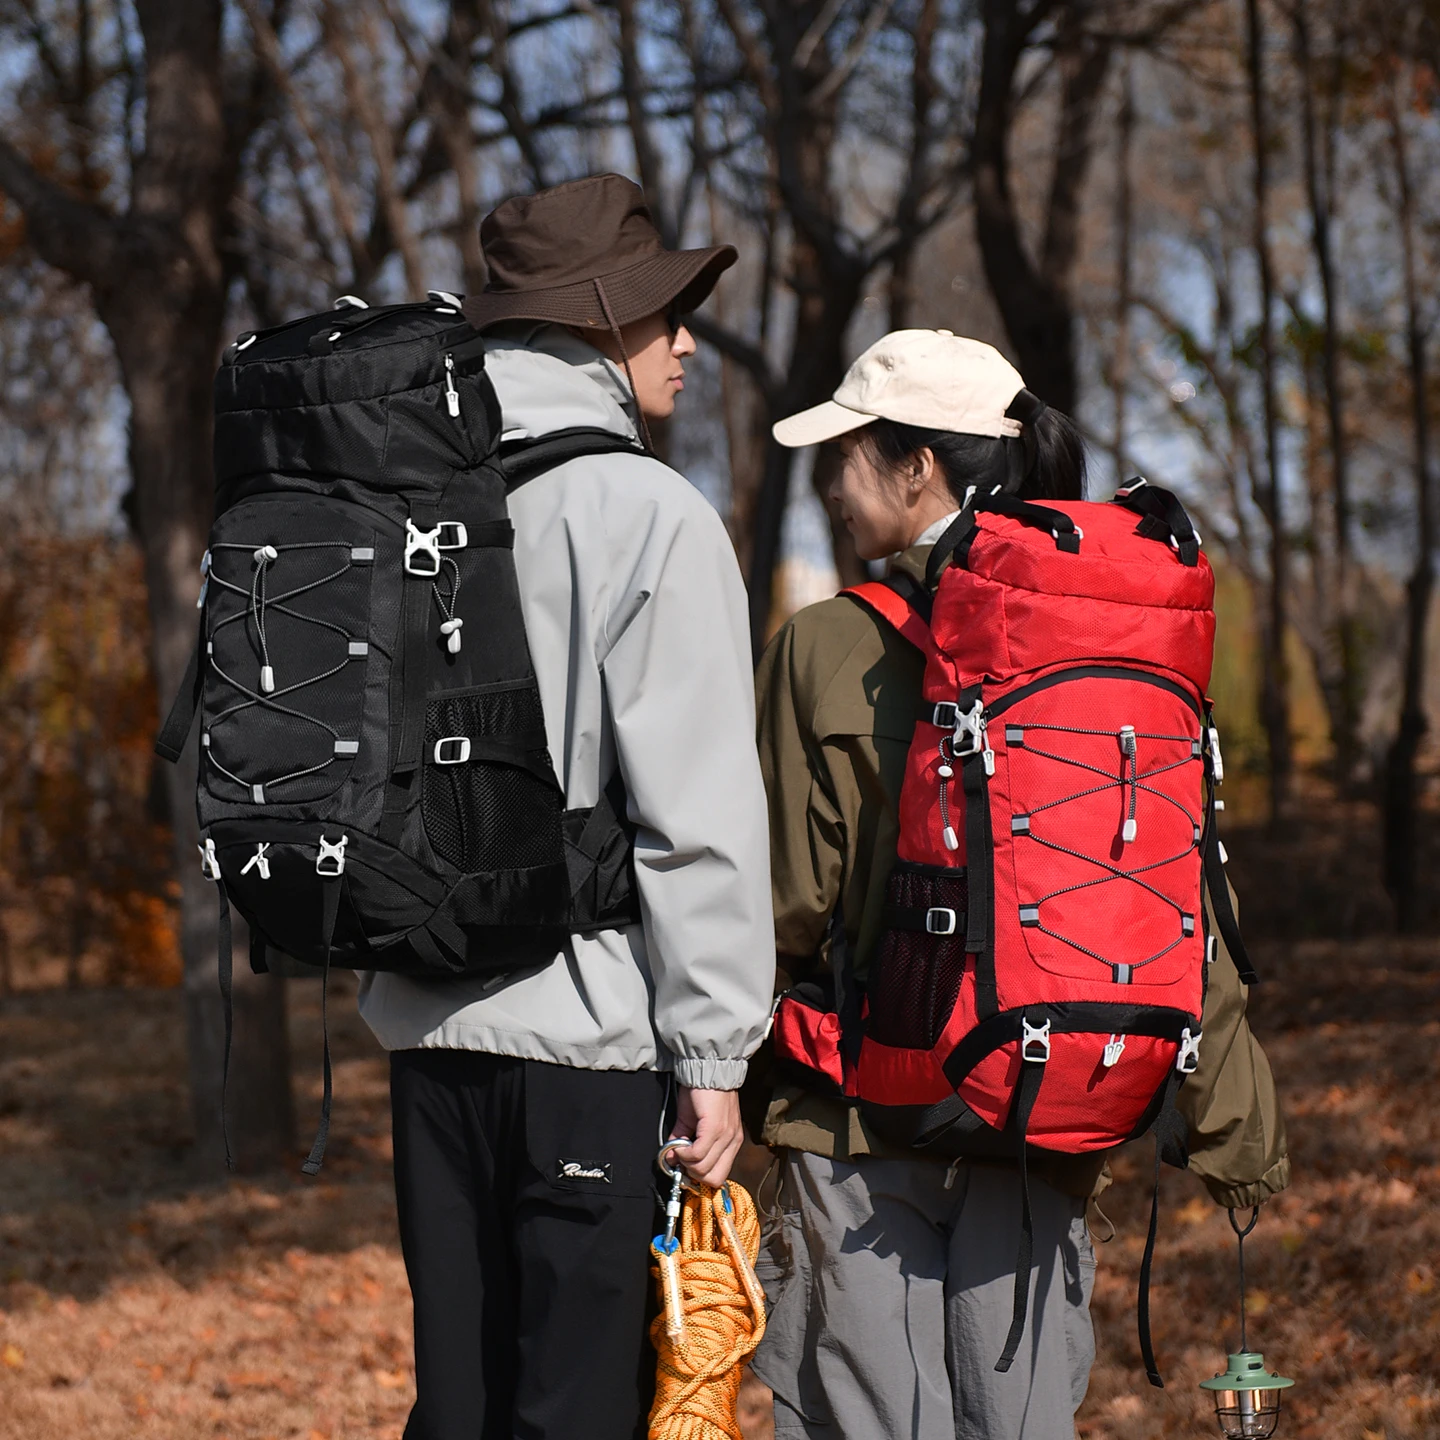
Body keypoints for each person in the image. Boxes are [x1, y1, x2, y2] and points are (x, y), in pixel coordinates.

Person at [747, 330, 1289, 1440]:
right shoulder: (1125, 641)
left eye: (845, 454)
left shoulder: (826, 645)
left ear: (917, 467)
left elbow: (787, 906)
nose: (831, 486)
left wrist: (715, 1079)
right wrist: (1239, 1134)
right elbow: (1186, 894)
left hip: (862, 1121)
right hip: (1047, 1101)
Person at [357, 174, 775, 1440]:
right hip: (587, 1046)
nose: (687, 341)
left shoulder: (394, 504)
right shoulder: (648, 514)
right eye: (663, 315)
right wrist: (715, 1056)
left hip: (426, 1036)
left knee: (461, 1408)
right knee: (578, 1413)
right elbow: (694, 816)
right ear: (594, 322)